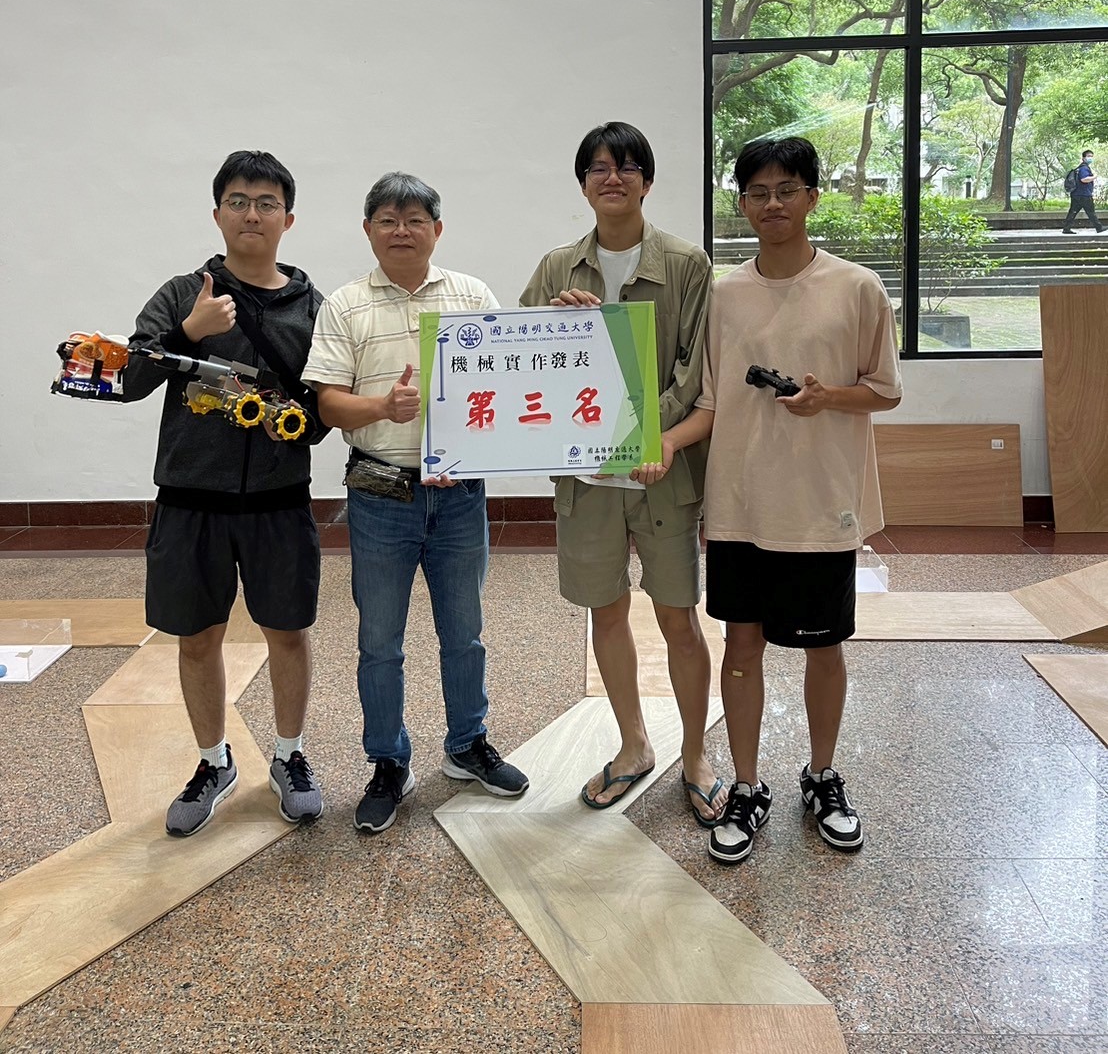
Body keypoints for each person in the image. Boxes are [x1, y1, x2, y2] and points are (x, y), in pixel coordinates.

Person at [639, 136, 901, 864]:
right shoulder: (725, 295)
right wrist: (664, 442)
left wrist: (826, 398)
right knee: (742, 644)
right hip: (740, 502)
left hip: (820, 504)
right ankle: (748, 786)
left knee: (824, 646)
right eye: (758, 192)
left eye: (787, 189)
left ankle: (821, 776)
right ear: (743, 203)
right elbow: (710, 399)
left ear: (814, 196)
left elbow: (885, 389)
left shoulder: (857, 287)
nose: (773, 203)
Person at [302, 173, 528, 834]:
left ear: (437, 229)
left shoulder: (472, 296)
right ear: (367, 229)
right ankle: (387, 761)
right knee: (379, 640)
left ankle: (467, 744)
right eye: (387, 219)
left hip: (460, 495)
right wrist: (382, 406)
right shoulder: (345, 305)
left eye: (415, 219)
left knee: (465, 631)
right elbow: (327, 404)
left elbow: (505, 381)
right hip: (380, 492)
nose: (401, 230)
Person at [520, 123, 721, 822]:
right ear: (583, 184)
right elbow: (523, 363)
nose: (613, 177)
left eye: (627, 166)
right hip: (585, 483)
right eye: (599, 167)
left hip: (662, 470)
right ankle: (634, 744)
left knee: (678, 618)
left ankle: (695, 752)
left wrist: (635, 433)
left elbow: (694, 370)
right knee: (605, 612)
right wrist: (554, 323)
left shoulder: (686, 263)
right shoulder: (556, 267)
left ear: (647, 181)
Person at [124, 150, 328, 836]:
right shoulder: (185, 292)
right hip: (191, 499)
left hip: (279, 498)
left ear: (288, 219)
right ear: (217, 214)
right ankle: (214, 762)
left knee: (288, 632)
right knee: (196, 636)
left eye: (267, 203)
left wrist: (308, 420)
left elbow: (326, 402)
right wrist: (190, 331)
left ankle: (290, 754)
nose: (251, 214)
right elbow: (128, 378)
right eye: (238, 201)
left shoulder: (313, 306)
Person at [1062, 150, 1103, 233]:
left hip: (1076, 194)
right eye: (1089, 156)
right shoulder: (1084, 168)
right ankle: (1099, 228)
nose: (1090, 158)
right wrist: (1094, 177)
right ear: (1083, 158)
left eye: (1091, 156)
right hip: (1084, 194)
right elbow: (1084, 179)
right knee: (1091, 212)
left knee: (1073, 212)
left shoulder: (1079, 168)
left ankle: (1066, 228)